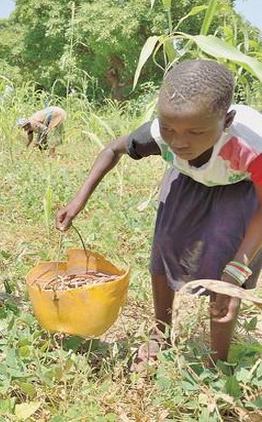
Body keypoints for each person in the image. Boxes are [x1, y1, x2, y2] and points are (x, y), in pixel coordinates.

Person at [56, 60, 262, 365]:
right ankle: (161, 332)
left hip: (239, 184)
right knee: (165, 244)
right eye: (169, 129)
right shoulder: (159, 135)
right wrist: (78, 200)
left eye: (196, 132)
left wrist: (236, 270)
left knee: (227, 270)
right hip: (188, 179)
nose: (179, 142)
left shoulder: (251, 148)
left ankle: (217, 362)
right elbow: (112, 149)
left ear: (227, 120)